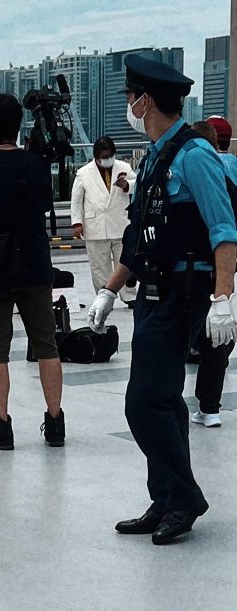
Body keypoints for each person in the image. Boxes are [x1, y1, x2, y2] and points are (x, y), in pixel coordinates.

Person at [87, 56, 237, 544]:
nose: (129, 105)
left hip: (184, 293)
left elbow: (224, 229)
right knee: (165, 400)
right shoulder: (155, 156)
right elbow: (140, 237)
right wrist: (110, 289)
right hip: (153, 291)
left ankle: (186, 496)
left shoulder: (195, 155)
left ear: (145, 101)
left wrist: (223, 297)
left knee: (143, 402)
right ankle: (167, 498)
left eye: (131, 97)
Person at [0, 94, 65, 450]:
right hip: (34, 262)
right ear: (19, 125)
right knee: (46, 345)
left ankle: (1, 426)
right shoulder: (37, 163)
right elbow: (45, 204)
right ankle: (55, 423)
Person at [185, 117, 237, 428]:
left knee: (186, 335)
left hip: (197, 267)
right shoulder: (232, 167)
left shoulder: (194, 166)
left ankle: (188, 405)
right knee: (220, 337)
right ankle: (210, 406)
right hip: (228, 269)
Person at [70, 136, 137, 306]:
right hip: (95, 225)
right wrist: (77, 223)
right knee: (99, 266)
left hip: (120, 222)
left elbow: (137, 184)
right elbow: (76, 200)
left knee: (125, 262)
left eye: (110, 156)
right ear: (96, 156)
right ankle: (103, 296)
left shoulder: (124, 167)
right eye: (104, 156)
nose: (107, 159)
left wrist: (127, 185)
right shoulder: (83, 172)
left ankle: (129, 296)